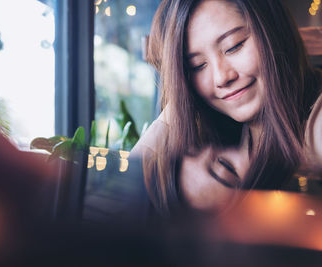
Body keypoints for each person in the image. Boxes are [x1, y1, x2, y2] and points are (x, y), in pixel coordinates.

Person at [132, 0, 322, 215]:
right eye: (197, 66)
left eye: (234, 46)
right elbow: (127, 198)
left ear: (274, 29)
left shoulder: (316, 122)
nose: (222, 77)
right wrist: (183, 95)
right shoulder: (220, 133)